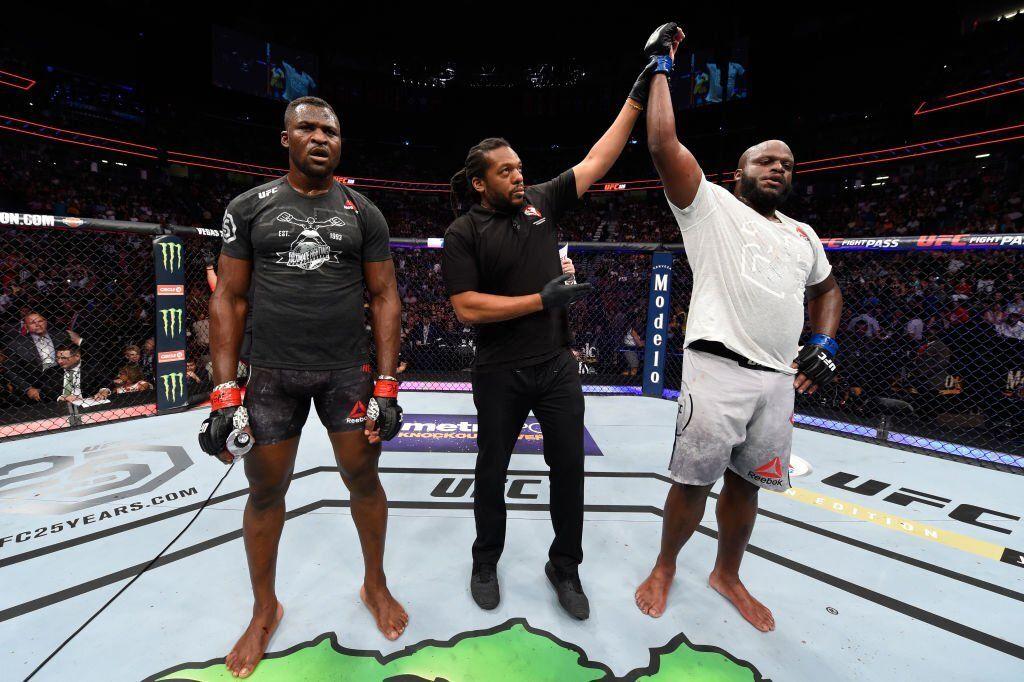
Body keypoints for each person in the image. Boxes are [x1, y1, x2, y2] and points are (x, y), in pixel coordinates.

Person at [633, 23, 844, 631]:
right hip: (717, 367)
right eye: (766, 160)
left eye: (788, 164)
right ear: (739, 171)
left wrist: (824, 340)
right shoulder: (711, 207)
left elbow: (828, 290)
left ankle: (727, 573)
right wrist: (662, 68)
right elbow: (663, 144)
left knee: (748, 487)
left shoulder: (803, 234)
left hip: (778, 378)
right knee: (692, 482)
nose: (778, 168)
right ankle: (666, 565)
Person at [441, 58, 658, 620]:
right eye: (505, 171)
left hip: (556, 366)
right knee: (491, 470)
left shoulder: (542, 201)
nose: (519, 176)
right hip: (499, 370)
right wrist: (542, 299)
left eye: (519, 167)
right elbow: (466, 307)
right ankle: (485, 560)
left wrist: (636, 95)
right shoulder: (463, 232)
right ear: (479, 182)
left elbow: (598, 159)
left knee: (569, 469)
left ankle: (564, 566)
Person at [198, 96, 406, 679]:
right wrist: (223, 394)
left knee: (363, 477)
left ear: (341, 143)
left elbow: (385, 296)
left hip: (346, 372)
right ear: (285, 138)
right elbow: (228, 297)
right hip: (271, 374)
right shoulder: (249, 207)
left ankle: (374, 585)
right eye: (307, 128)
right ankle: (264, 609)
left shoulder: (363, 212)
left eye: (330, 131)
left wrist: (387, 386)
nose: (320, 138)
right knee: (265, 490)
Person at [7, 312, 82, 402]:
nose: (37, 324)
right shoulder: (16, 344)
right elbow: (10, 370)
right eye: (32, 323)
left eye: (40, 321)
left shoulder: (62, 336)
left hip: (62, 383)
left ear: (46, 322)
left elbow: (74, 358)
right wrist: (28, 388)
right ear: (26, 326)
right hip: (36, 387)